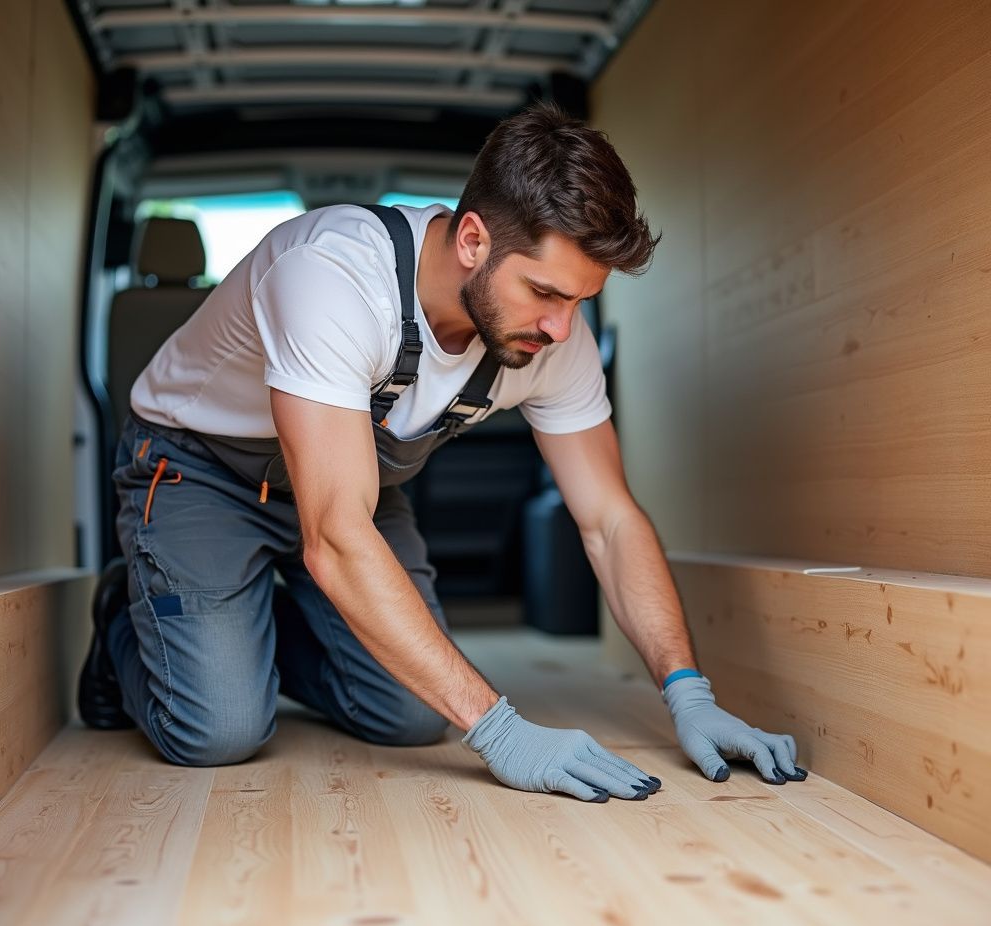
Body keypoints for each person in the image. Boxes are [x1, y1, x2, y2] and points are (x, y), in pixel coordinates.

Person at [79, 103, 807, 800]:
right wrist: (501, 732)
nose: (561, 328)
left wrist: (688, 691)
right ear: (472, 241)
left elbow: (609, 520)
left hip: (345, 485)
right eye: (546, 293)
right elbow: (335, 540)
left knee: (413, 715)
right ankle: (128, 618)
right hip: (199, 472)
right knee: (218, 730)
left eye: (580, 302)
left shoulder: (554, 337)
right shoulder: (332, 277)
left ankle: (240, 637)